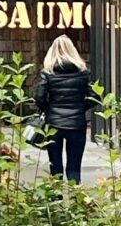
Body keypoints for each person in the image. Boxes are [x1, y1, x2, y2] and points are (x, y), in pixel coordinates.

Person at [34, 35, 96, 183]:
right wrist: (81, 107)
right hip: (77, 124)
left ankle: (56, 202)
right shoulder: (83, 72)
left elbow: (39, 98)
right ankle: (76, 200)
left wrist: (49, 110)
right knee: (74, 168)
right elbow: (95, 96)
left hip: (54, 125)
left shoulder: (48, 72)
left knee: (55, 168)